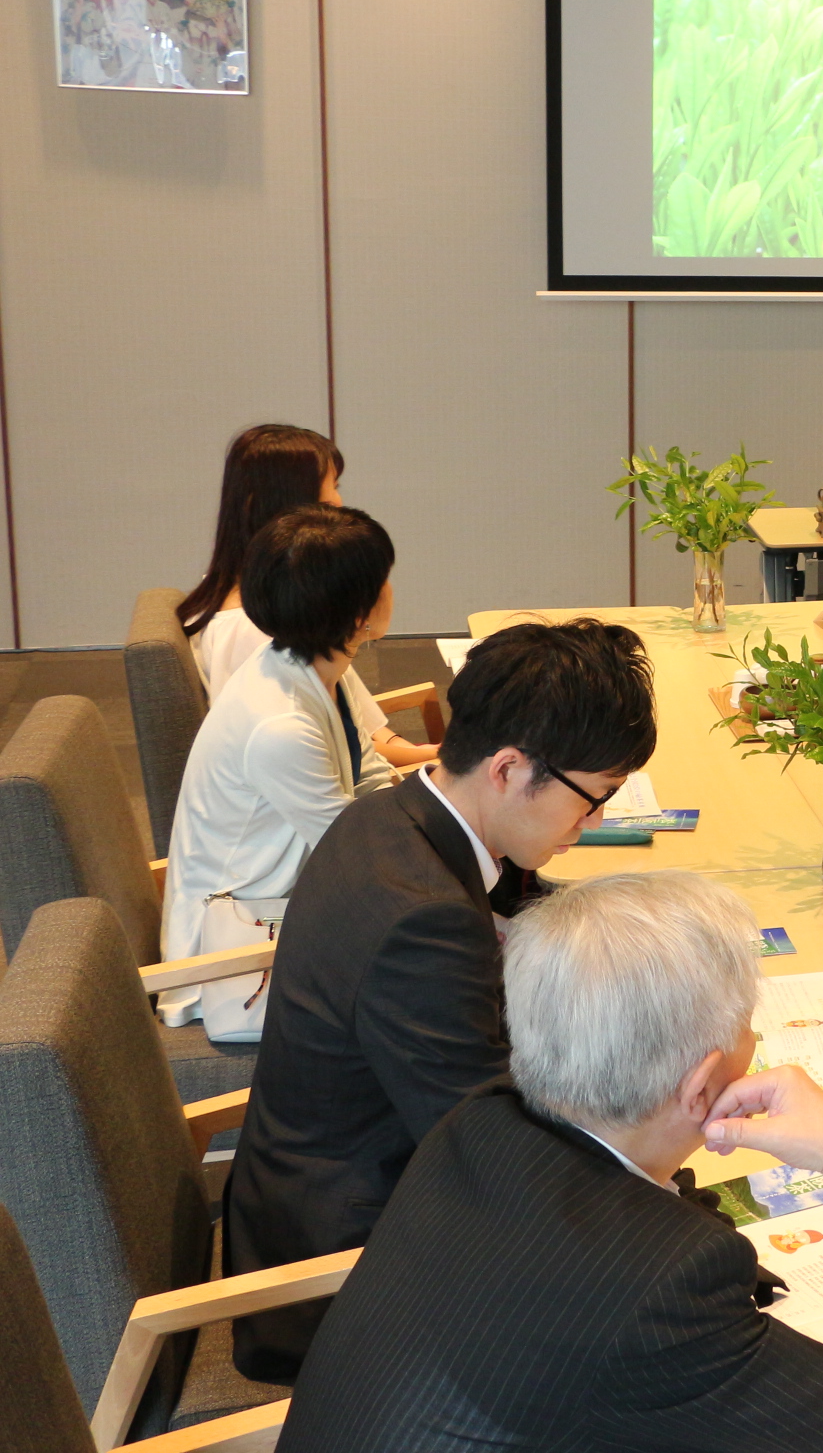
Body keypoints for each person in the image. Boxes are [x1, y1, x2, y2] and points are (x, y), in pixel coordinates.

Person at [276, 870, 823, 1451]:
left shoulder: (484, 1118)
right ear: (701, 1086)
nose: (756, 1038)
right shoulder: (659, 1292)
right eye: (748, 1025)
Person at [225, 618, 657, 1380]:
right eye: (592, 800)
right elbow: (488, 1153)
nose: (592, 826)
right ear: (508, 769)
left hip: (316, 1186)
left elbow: (506, 903)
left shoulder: (392, 816)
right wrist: (659, 1185)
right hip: (342, 1277)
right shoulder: (419, 923)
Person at [159, 506, 399, 1038]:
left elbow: (371, 777)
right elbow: (355, 853)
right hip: (239, 958)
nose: (391, 589)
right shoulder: (281, 725)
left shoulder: (311, 664)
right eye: (383, 579)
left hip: (287, 903)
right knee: (444, 974)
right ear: (357, 610)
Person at [177, 422, 437, 769]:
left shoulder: (259, 595)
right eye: (330, 492)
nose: (339, 504)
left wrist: (424, 753)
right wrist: (440, 759)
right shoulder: (249, 626)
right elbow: (308, 757)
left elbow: (359, 731)